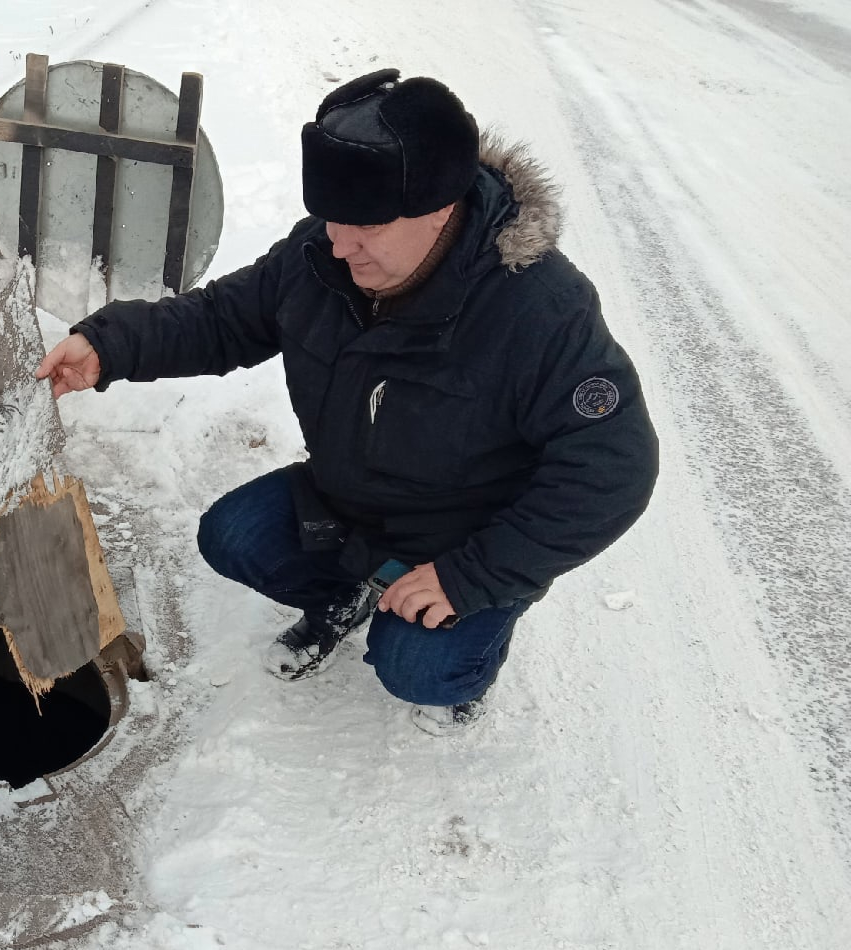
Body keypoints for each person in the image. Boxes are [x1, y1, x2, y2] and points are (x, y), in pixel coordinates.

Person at [36, 68, 658, 735]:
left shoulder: (539, 309)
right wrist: (110, 347)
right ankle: (351, 594)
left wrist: (469, 577)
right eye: (332, 217)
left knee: (417, 669)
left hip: (461, 540)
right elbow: (223, 319)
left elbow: (612, 467)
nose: (338, 242)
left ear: (441, 208)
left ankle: (467, 655)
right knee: (232, 537)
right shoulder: (324, 254)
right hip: (351, 507)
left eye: (363, 225)